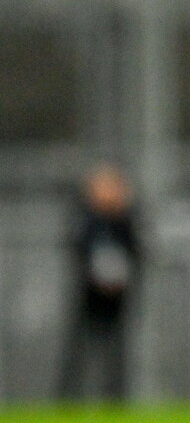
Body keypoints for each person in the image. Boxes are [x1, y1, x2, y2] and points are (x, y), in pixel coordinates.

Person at [58, 164, 140, 401]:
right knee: (80, 349)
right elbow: (78, 250)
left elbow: (136, 251)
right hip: (89, 293)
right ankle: (68, 399)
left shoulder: (124, 220)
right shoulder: (86, 220)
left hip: (118, 294)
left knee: (116, 350)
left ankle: (115, 399)